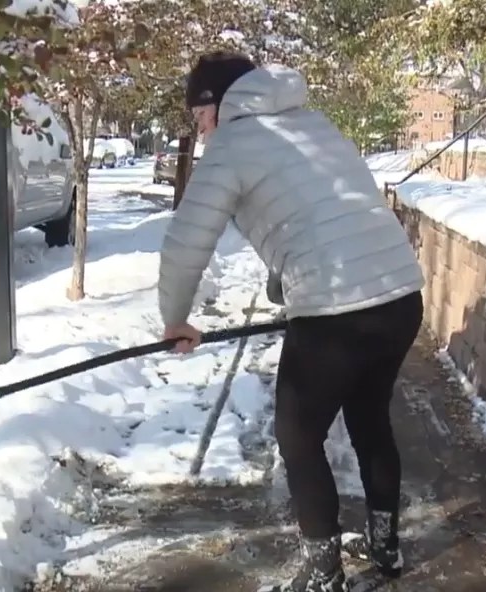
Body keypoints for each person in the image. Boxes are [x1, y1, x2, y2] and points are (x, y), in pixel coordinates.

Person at [157, 51, 426, 592]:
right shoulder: (313, 123)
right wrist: (287, 279)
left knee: (298, 438)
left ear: (217, 102)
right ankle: (385, 545)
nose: (198, 128)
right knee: (370, 419)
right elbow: (327, 214)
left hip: (336, 311)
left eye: (197, 114)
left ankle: (324, 572)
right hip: (400, 295)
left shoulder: (233, 143)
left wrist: (175, 318)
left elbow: (187, 241)